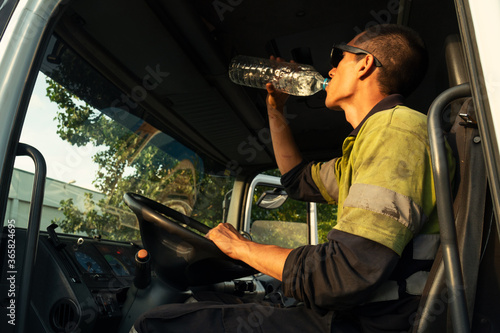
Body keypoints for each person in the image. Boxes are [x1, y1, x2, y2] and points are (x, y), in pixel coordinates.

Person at [132, 24, 454, 333]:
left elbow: (342, 274)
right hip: (349, 316)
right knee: (205, 303)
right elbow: (297, 180)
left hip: (363, 323)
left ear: (364, 64)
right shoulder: (373, 139)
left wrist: (241, 247)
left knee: (156, 324)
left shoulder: (397, 132)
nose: (330, 71)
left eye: (338, 58)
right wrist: (275, 109)